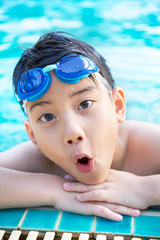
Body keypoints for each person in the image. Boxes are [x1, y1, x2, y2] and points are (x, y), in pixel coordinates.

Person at [0, 31, 160, 222]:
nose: (72, 132)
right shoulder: (40, 161)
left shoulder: (148, 145)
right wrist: (56, 190)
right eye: (48, 116)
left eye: (85, 104)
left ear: (117, 106)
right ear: (33, 136)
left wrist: (146, 188)